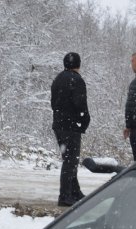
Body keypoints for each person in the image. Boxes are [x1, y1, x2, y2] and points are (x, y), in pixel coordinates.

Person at [50, 52, 90, 207]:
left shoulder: (58, 79)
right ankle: (65, 195)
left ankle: (74, 191)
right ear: (78, 65)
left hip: (59, 125)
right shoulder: (77, 80)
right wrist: (85, 121)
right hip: (71, 126)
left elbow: (53, 103)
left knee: (69, 158)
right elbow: (80, 104)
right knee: (71, 160)